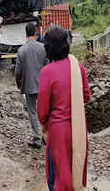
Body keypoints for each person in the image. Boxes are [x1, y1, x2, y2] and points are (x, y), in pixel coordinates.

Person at [37, 25, 91, 191]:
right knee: (75, 171)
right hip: (79, 129)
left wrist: (45, 125)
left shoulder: (47, 72)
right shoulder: (77, 66)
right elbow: (86, 96)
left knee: (58, 178)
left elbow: (42, 112)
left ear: (48, 48)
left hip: (58, 133)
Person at [15, 22, 47, 149]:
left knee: (32, 112)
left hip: (28, 85)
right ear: (35, 32)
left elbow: (18, 71)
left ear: (26, 34)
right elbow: (47, 65)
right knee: (45, 110)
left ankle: (36, 138)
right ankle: (46, 136)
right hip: (44, 85)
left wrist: (19, 84)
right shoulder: (43, 47)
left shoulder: (21, 50)